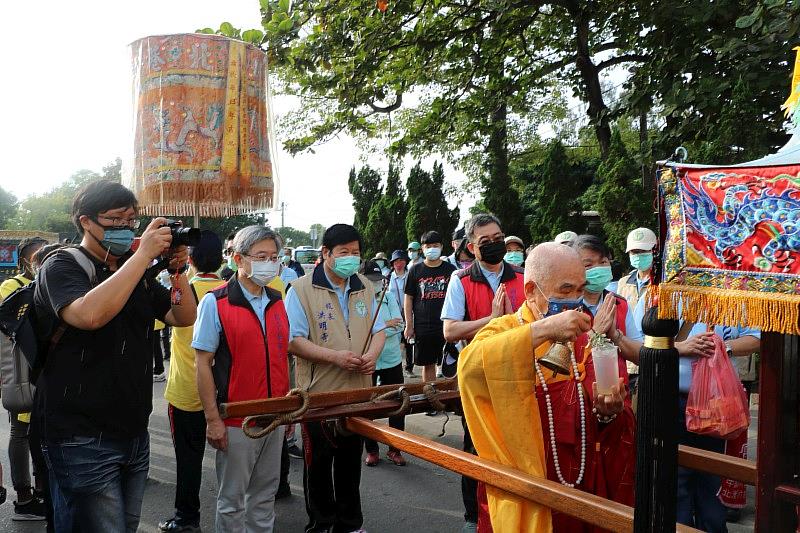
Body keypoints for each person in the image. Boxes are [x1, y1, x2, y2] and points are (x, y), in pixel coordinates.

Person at [34, 180, 197, 532]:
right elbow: (88, 315)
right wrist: (141, 256)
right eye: (116, 220)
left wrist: (177, 272)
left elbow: (183, 317)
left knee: (125, 526)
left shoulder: (132, 270)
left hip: (133, 431)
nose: (126, 228)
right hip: (79, 436)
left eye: (132, 220)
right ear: (85, 221)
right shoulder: (61, 265)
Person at [459, 242, 635, 532]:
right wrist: (543, 330)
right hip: (522, 480)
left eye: (580, 290)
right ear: (531, 291)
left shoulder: (584, 336)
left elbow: (607, 410)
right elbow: (470, 368)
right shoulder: (504, 330)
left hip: (579, 478)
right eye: (565, 291)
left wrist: (608, 413)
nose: (575, 301)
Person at [284, 223, 385, 533]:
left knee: (349, 462)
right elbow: (293, 340)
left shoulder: (365, 286)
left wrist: (372, 355)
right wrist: (336, 358)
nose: (351, 259)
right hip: (317, 394)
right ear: (326, 253)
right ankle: (322, 522)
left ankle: (350, 523)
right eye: (344, 253)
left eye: (355, 253)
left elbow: (378, 329)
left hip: (357, 392)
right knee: (318, 464)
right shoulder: (301, 289)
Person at [194, 226, 289, 533]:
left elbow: (285, 357)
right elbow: (203, 364)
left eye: (274, 257)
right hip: (236, 420)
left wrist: (288, 415)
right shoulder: (216, 303)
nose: (269, 264)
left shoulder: (277, 301)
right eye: (261, 256)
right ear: (238, 259)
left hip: (274, 417)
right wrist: (213, 420)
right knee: (232, 501)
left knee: (264, 497)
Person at [441, 213, 526, 532]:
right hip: (477, 379)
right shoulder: (460, 280)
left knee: (517, 446)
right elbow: (450, 331)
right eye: (486, 241)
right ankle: (472, 516)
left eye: (498, 238)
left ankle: (513, 512)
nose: (494, 245)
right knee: (476, 447)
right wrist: (491, 321)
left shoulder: (521, 275)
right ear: (472, 247)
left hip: (517, 374)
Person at [159, 231, 225, 533]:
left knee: (188, 460)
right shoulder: (231, 290)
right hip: (225, 391)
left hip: (187, 390)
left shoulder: (179, 289)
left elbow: (156, 321)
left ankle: (186, 518)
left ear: (191, 259)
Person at [672, 320, 759, 532]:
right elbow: (645, 344)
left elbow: (757, 337)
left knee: (712, 477)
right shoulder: (669, 296)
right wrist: (682, 345)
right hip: (675, 399)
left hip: (718, 404)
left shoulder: (732, 296)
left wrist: (724, 346)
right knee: (677, 479)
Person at [1, 237, 48, 522]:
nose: (42, 262)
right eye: (37, 257)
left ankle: (42, 490)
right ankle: (24, 497)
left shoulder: (55, 282)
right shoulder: (12, 286)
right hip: (22, 374)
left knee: (43, 433)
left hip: (49, 373)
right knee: (21, 431)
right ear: (25, 261)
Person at [570, 235, 644, 397]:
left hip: (619, 398)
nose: (599, 268)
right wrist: (595, 332)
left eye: (603, 262)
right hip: (580, 401)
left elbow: (641, 357)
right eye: (588, 265)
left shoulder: (618, 303)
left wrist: (616, 336)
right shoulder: (567, 307)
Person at [361, 260, 407, 467]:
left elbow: (399, 325)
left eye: (379, 280)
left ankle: (395, 448)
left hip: (392, 359)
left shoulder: (388, 298)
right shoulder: (358, 301)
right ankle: (371, 450)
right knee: (366, 407)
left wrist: (379, 329)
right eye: (372, 280)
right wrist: (384, 326)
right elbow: (360, 331)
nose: (376, 283)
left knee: (398, 405)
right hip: (368, 361)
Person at [404, 231, 456, 386]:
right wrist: (409, 324)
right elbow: (409, 298)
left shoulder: (450, 270)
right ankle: (430, 398)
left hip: (447, 324)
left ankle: (450, 399)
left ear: (441, 247)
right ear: (422, 248)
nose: (432, 249)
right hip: (423, 326)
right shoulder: (415, 270)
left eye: (435, 246)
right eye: (428, 246)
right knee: (428, 364)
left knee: (451, 362)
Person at [616, 227, 658, 400]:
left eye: (643, 251)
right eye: (634, 252)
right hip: (627, 358)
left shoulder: (663, 283)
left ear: (654, 252)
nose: (638, 256)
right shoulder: (624, 282)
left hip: (653, 358)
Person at [387, 249, 414, 377]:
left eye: (402, 260)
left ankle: (409, 367)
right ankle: (395, 365)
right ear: (392, 263)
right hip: (394, 313)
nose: (399, 263)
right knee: (395, 339)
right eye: (396, 261)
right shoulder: (387, 277)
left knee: (409, 340)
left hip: (409, 311)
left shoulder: (411, 275)